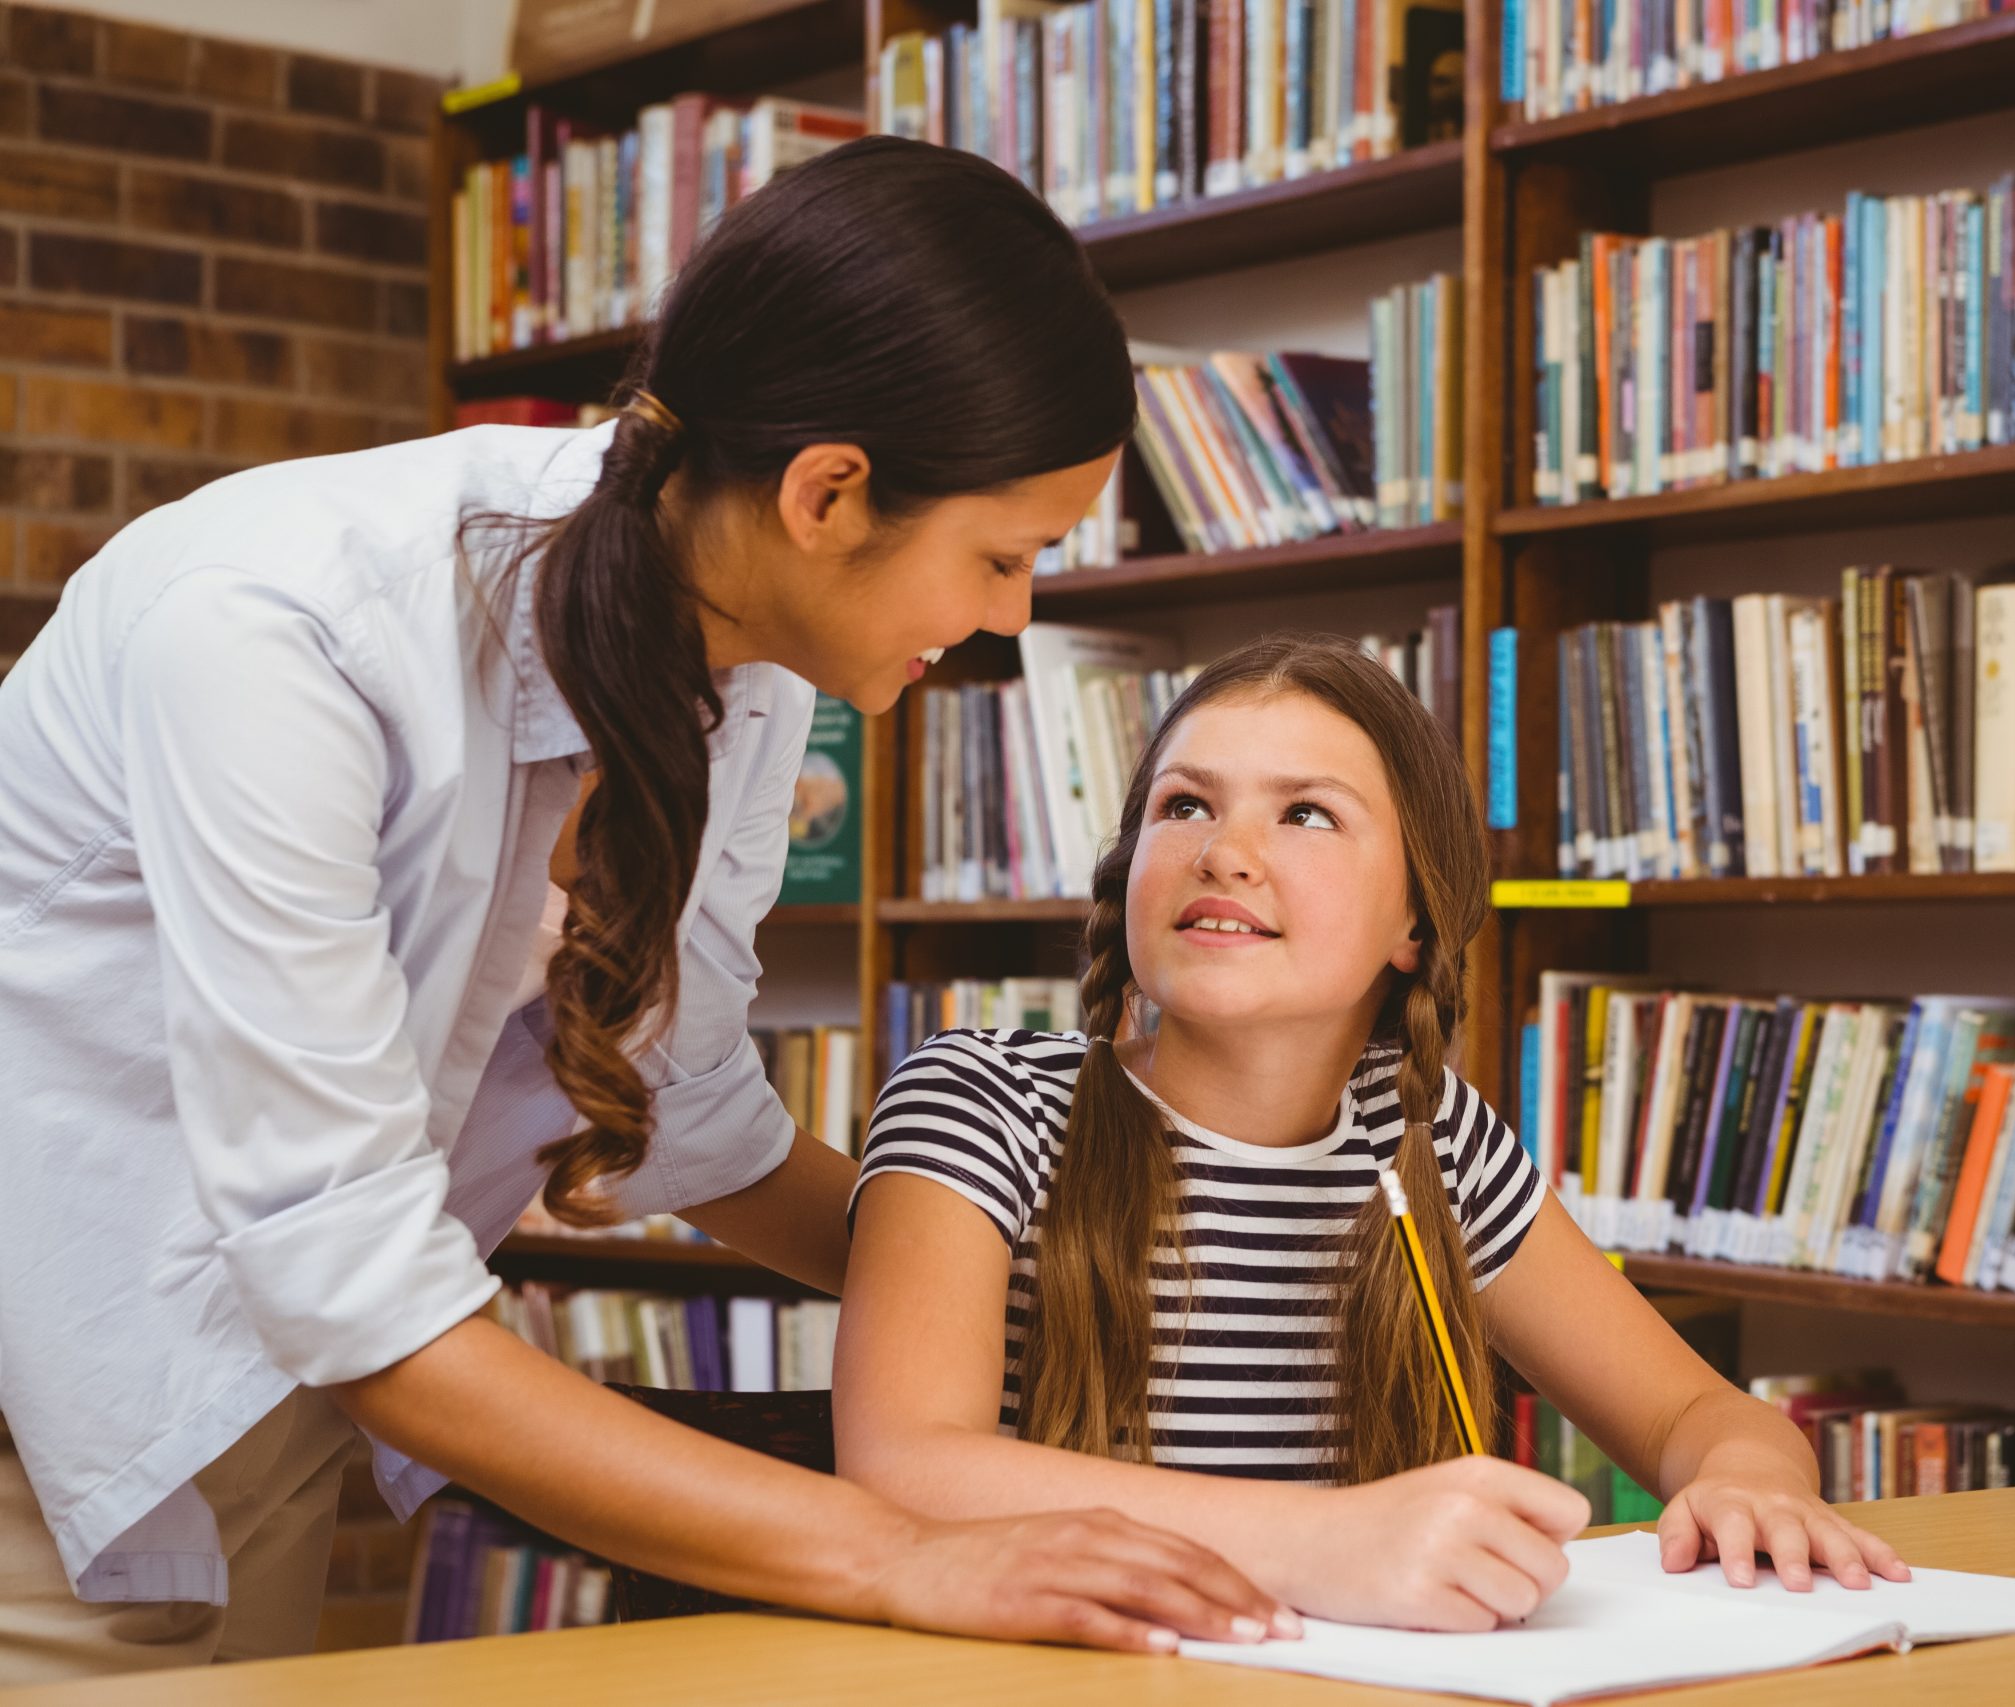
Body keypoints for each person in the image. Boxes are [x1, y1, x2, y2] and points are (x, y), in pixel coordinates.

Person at [0, 137, 1287, 1686]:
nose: (1013, 614)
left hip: (239, 1405)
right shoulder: (283, 632)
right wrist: (900, 1549)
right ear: (828, 492)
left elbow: (688, 1110)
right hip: (48, 1398)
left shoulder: (740, 653)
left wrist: (1043, 1279)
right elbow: (355, 1282)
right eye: (1002, 555)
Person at [836, 633, 1911, 1631]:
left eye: (1304, 813)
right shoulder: (984, 1100)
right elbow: (903, 1469)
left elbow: (1698, 1414)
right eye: (1183, 806)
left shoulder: (1431, 1137)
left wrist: (1746, 1481)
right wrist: (1321, 1541)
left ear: (1413, 922)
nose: (1225, 851)